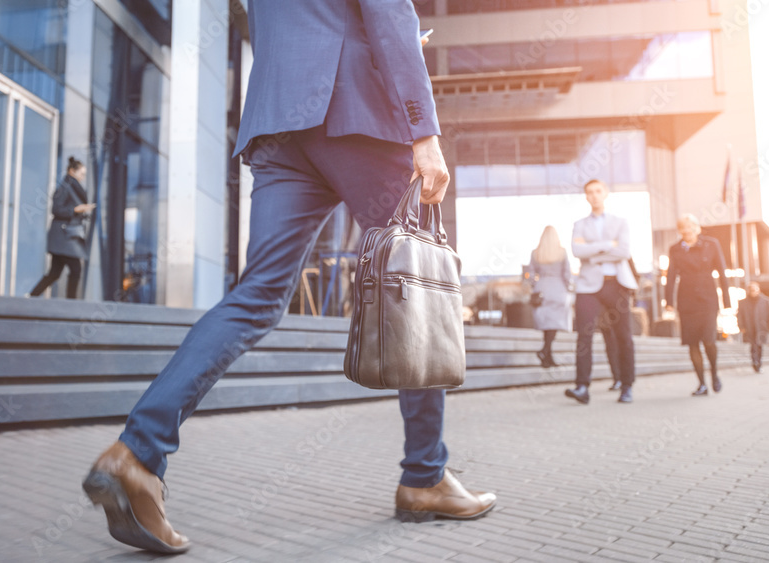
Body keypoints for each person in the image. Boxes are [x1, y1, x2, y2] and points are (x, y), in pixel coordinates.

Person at [82, 1, 496, 554]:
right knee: (412, 290)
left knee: (256, 296)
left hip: (279, 122)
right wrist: (425, 133)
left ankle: (135, 452)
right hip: (354, 115)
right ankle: (424, 477)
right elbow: (389, 14)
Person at [566, 179, 638, 404]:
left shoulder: (620, 222)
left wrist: (593, 254)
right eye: (590, 192)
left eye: (598, 191)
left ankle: (626, 385)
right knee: (584, 336)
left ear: (605, 193)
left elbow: (624, 251)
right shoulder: (579, 225)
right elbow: (577, 250)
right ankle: (581, 387)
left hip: (616, 284)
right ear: (586, 196)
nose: (594, 195)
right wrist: (607, 245)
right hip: (588, 286)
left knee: (623, 335)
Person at [664, 214, 731, 395]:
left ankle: (715, 374)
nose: (686, 230)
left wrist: (727, 301)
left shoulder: (711, 244)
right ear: (679, 231)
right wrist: (669, 302)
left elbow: (722, 272)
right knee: (692, 343)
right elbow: (670, 276)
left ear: (697, 227)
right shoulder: (675, 249)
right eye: (682, 227)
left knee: (709, 340)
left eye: (690, 226)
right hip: (686, 300)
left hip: (708, 298)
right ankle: (702, 383)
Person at [28, 157, 94, 299]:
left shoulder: (72, 188)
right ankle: (70, 302)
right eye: (81, 174)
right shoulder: (64, 187)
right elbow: (56, 209)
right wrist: (76, 209)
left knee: (55, 273)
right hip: (63, 236)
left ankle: (32, 296)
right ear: (72, 171)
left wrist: (82, 211)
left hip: (65, 236)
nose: (83, 177)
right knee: (75, 268)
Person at [528, 226, 571, 368]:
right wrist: (569, 287)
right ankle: (546, 352)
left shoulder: (536, 253)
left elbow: (531, 274)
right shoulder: (562, 252)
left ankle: (546, 354)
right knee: (554, 325)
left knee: (547, 324)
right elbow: (567, 274)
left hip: (542, 289)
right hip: (558, 289)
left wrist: (535, 285)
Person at [737, 281, 769, 373]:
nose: (752, 291)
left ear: (758, 290)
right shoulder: (743, 302)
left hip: (761, 328)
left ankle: (759, 363)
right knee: (753, 346)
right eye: (751, 289)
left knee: (759, 345)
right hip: (749, 328)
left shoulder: (766, 301)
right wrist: (741, 326)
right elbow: (739, 315)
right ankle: (755, 362)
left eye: (754, 289)